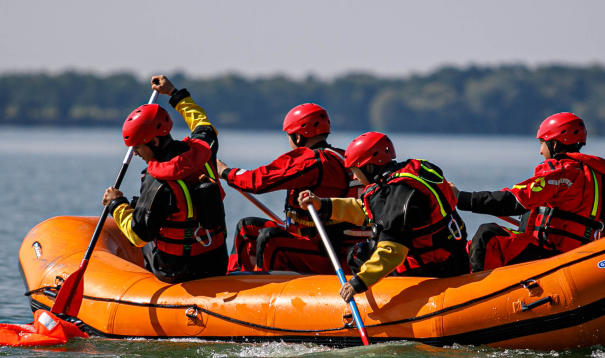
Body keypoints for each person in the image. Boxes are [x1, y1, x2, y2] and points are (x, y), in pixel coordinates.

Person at [297, 132, 468, 302]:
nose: (355, 177)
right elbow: (366, 211)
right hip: (454, 256)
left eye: (356, 171)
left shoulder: (394, 195)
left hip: (432, 268)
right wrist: (323, 204)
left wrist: (358, 282)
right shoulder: (407, 176)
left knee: (359, 253)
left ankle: (385, 306)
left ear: (369, 167)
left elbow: (392, 251)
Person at [459, 112, 605, 273]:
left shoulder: (560, 171)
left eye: (542, 143)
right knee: (470, 247)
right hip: (576, 255)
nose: (541, 151)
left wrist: (461, 198)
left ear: (555, 143)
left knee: (487, 235)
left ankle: (479, 293)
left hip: (552, 255)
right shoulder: (594, 174)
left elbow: (514, 200)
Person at [102, 75, 227, 283]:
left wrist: (116, 203)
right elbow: (201, 123)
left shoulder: (156, 181)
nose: (134, 154)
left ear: (155, 142)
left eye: (137, 147)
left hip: (179, 272)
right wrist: (174, 93)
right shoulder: (205, 147)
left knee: (146, 240)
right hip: (216, 263)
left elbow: (138, 236)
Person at [218, 104, 365, 273]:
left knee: (271, 239)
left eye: (289, 136)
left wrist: (226, 172)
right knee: (247, 227)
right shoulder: (341, 156)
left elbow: (258, 181)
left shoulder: (313, 160)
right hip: (331, 246)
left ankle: (266, 291)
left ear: (298, 136)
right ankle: (235, 279)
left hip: (330, 254)